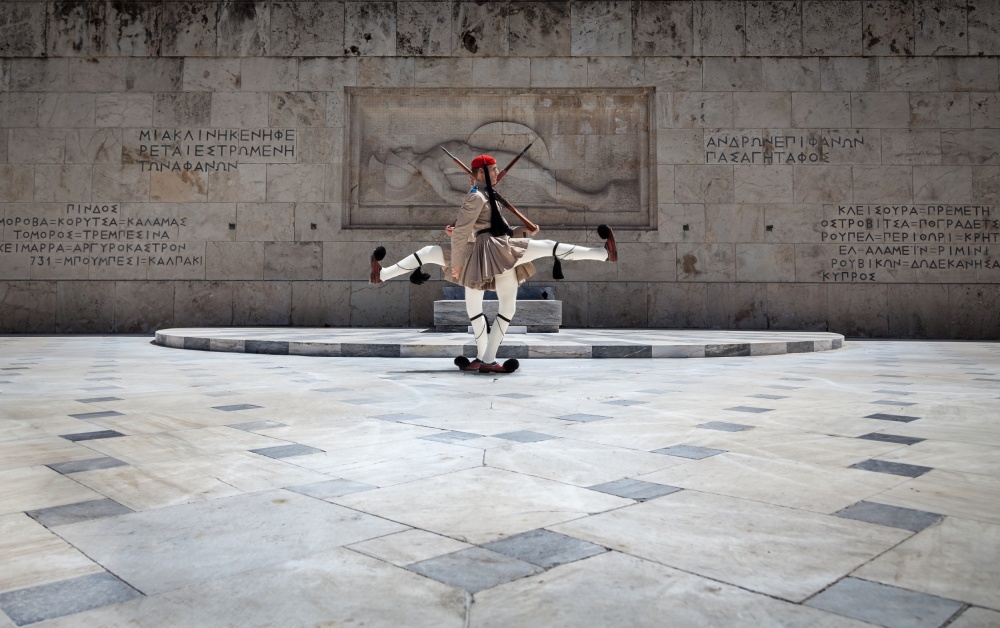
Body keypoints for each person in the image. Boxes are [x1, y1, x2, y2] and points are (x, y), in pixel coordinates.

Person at [371, 154, 616, 374]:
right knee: (548, 247)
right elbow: (464, 232)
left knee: (504, 307)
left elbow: (494, 227)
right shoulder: (476, 196)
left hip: (493, 248)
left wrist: (523, 231)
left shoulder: (487, 195)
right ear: (482, 172)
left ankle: (486, 358)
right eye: (494, 169)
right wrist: (457, 263)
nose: (498, 172)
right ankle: (603, 254)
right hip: (493, 250)